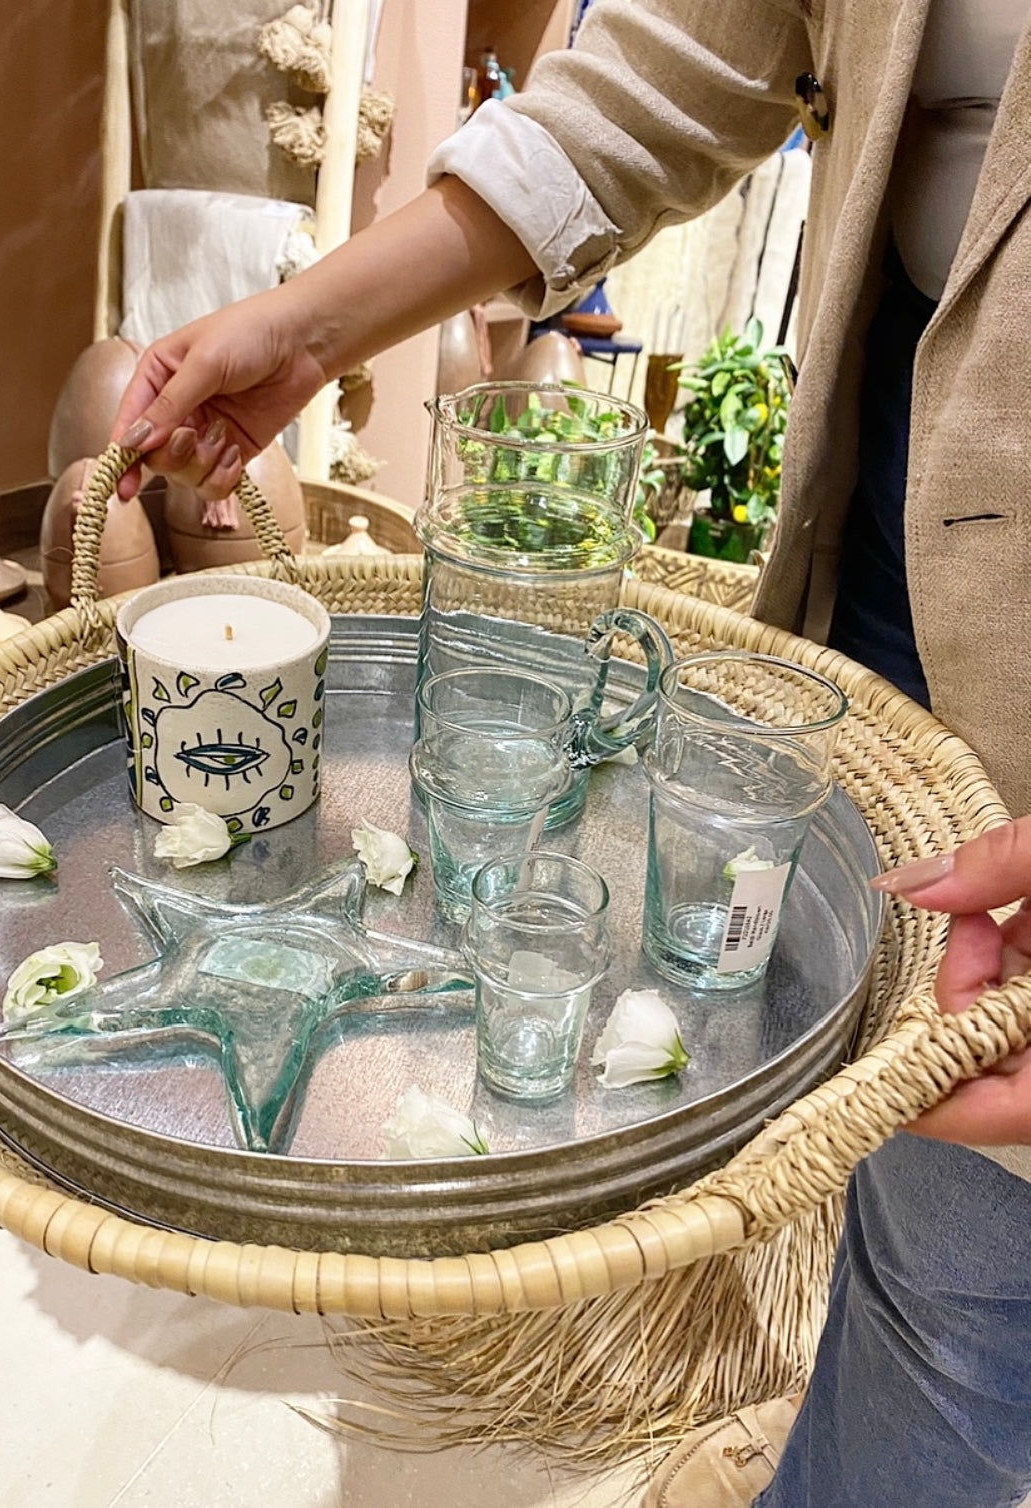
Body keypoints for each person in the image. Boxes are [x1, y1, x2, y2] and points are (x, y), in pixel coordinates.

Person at [109, 2, 1031, 1502]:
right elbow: (676, 67)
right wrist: (310, 322)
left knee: (978, 1268)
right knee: (893, 1124)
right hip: (887, 505)